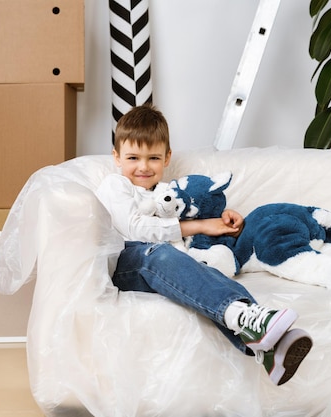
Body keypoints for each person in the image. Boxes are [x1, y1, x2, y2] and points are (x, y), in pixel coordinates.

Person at [95, 103, 312, 386]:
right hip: (127, 261)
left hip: (164, 263)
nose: (144, 166)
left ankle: (269, 347)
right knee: (159, 254)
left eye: (153, 158)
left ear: (167, 157)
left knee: (202, 272)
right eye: (133, 157)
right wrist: (198, 225)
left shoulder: (168, 193)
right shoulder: (116, 186)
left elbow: (196, 213)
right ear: (117, 157)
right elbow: (135, 227)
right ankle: (249, 320)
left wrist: (221, 218)